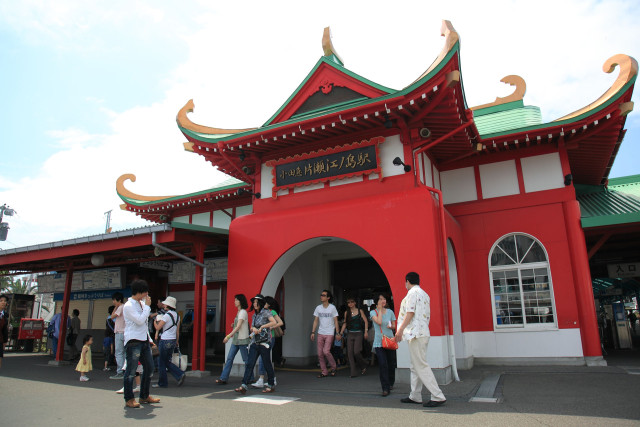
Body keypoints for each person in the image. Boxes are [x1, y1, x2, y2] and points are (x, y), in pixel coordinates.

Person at [395, 272, 446, 408]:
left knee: (420, 365)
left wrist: (399, 331)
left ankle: (437, 395)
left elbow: (409, 312)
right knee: (415, 365)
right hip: (422, 332)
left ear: (407, 281)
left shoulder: (412, 293)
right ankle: (415, 395)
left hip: (415, 334)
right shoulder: (425, 294)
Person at [122, 279, 160, 408]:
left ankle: (144, 396)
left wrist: (149, 340)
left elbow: (144, 324)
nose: (147, 295)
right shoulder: (128, 306)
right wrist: (148, 307)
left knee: (149, 368)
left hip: (143, 340)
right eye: (145, 292)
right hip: (133, 341)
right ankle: (129, 398)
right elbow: (139, 320)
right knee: (131, 371)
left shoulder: (141, 304)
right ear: (140, 292)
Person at [234, 294, 277, 394]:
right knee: (250, 363)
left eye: (256, 302)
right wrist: (253, 329)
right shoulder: (254, 315)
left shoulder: (266, 313)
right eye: (253, 302)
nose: (254, 304)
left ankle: (271, 385)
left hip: (264, 342)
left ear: (261, 303)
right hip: (254, 342)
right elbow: (252, 327)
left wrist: (262, 327)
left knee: (266, 363)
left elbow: (273, 322)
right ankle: (244, 385)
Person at [217, 294, 251, 385]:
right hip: (236, 340)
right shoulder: (239, 312)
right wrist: (233, 326)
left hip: (242, 340)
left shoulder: (243, 312)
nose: (234, 302)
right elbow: (238, 325)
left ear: (240, 301)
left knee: (246, 360)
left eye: (236, 300)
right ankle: (223, 378)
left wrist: (228, 336)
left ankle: (250, 377)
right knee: (230, 358)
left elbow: (239, 326)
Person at [251, 296, 284, 388]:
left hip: (269, 337)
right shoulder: (260, 313)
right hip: (262, 338)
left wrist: (270, 327)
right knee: (265, 359)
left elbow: (280, 322)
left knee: (263, 358)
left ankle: (261, 379)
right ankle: (272, 378)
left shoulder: (271, 312)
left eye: (264, 302)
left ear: (268, 304)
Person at [153, 296, 185, 388]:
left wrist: (155, 322)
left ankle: (162, 383)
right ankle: (179, 374)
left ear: (168, 305)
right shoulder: (177, 316)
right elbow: (177, 331)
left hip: (165, 340)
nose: (164, 304)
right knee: (166, 361)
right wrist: (177, 341)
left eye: (165, 303)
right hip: (173, 340)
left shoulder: (167, 316)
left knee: (161, 362)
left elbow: (158, 327)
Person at [370, 293, 397, 396]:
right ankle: (385, 388)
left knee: (391, 363)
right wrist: (380, 310)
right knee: (382, 364)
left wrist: (392, 327)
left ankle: (391, 382)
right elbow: (379, 322)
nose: (383, 301)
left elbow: (394, 325)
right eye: (381, 299)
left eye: (384, 298)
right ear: (376, 301)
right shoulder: (373, 312)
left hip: (389, 340)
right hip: (379, 342)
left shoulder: (390, 312)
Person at [310, 289, 340, 378]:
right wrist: (313, 332)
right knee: (320, 353)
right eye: (321, 295)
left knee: (326, 351)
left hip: (330, 332)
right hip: (320, 332)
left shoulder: (332, 308)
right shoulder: (318, 308)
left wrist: (337, 333)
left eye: (323, 295)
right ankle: (324, 371)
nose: (321, 296)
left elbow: (336, 321)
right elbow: (315, 321)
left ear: (328, 298)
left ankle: (333, 366)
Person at [339, 297, 369, 378]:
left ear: (355, 303)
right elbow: (345, 323)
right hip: (350, 333)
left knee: (356, 352)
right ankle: (353, 373)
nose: (350, 304)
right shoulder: (346, 313)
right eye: (348, 302)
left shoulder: (360, 311)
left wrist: (366, 331)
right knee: (350, 353)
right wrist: (340, 333)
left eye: (352, 302)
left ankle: (364, 364)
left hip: (359, 333)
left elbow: (366, 321)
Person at [109, 292, 126, 379]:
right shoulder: (125, 307)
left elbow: (112, 316)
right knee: (124, 353)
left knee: (119, 353)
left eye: (114, 300)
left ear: (118, 300)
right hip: (126, 333)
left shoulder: (121, 307)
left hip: (120, 333)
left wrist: (116, 306)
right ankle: (125, 370)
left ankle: (120, 372)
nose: (113, 302)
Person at [103, 306, 116, 371]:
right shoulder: (114, 319)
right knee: (112, 348)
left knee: (107, 350)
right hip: (113, 335)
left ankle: (108, 361)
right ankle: (111, 361)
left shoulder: (108, 318)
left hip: (107, 335)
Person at [0, 294, 8, 368]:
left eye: (5, 301)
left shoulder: (5, 315)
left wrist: (5, 341)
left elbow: (5, 330)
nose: (3, 302)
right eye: (1, 301)